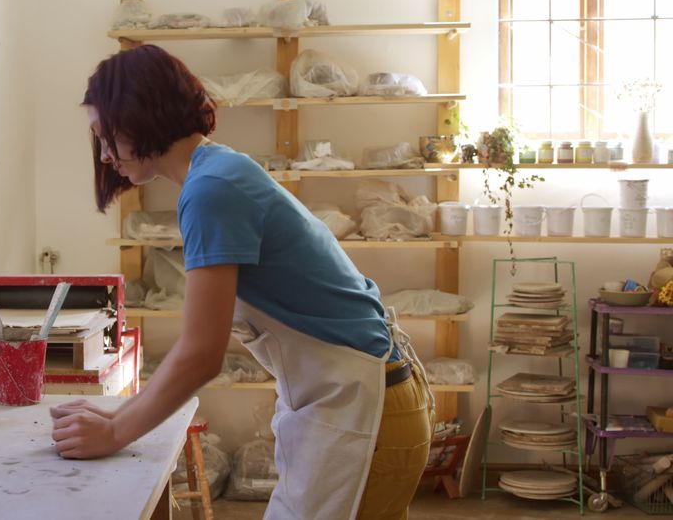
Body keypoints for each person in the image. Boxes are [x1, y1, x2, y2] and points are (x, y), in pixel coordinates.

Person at [49, 44, 433, 519]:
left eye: (105, 136)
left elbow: (200, 354)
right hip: (360, 399)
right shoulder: (216, 172)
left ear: (138, 116)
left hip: (364, 411)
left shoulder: (212, 190)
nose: (105, 155)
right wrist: (117, 415)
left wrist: (115, 431)